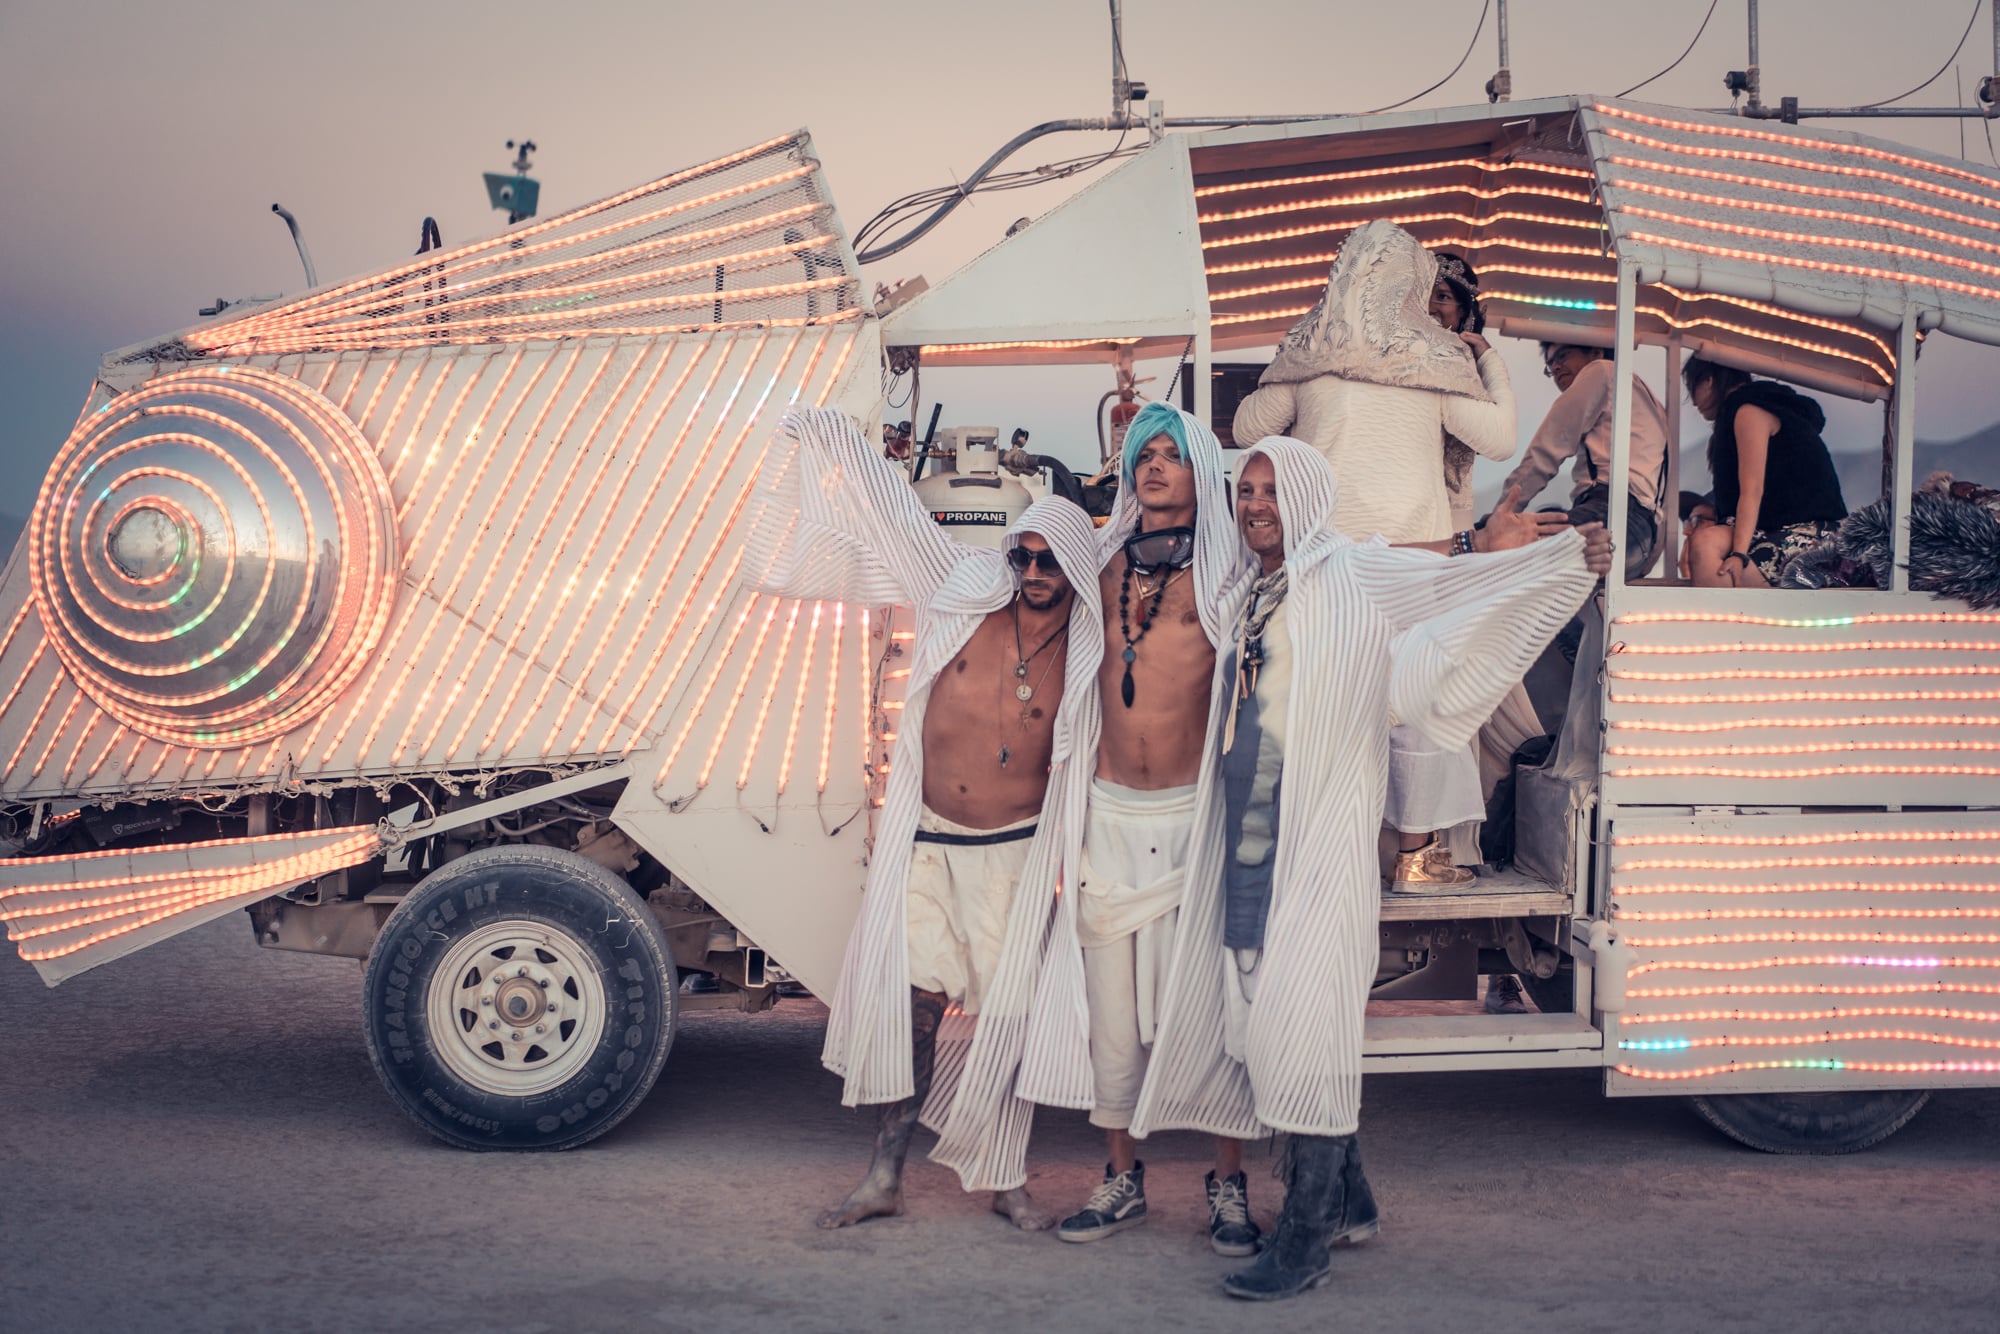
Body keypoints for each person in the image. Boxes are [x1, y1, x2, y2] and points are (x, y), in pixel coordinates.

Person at [1050, 402, 1567, 1254]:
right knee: (1122, 1014)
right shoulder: (1112, 569)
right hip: (1128, 817)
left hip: (1208, 825)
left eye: (1173, 454)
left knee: (1221, 1014)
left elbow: (1374, 562)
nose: (1154, 466)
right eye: (1142, 454)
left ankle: (1235, 1187)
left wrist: (1476, 542)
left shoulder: (1242, 572)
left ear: (1202, 473)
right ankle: (1128, 1179)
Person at [745, 407, 1104, 1231]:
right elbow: (893, 516)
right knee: (913, 1011)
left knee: (1006, 1022)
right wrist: (834, 439)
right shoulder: (965, 593)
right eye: (1023, 555)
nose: (1033, 570)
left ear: (1076, 565)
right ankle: (885, 1174)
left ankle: (1004, 1175)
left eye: (1050, 559)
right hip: (932, 848)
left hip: (1016, 859)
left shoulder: (1087, 648)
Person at [1232, 221, 1522, 890]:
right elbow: (1502, 439)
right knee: (1416, 707)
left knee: (1329, 709)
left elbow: (1248, 428)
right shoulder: (1432, 361)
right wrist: (1488, 361)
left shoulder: (1315, 356)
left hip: (1329, 566)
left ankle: (1333, 856)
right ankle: (1417, 857)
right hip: (1413, 565)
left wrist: (1295, 356)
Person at [1498, 342, 1670, 582]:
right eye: (1550, 364)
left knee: (1508, 547)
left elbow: (1545, 451)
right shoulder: (1650, 403)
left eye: (1563, 355)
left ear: (1596, 351)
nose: (1556, 367)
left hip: (1609, 514)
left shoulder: (1601, 371)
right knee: (1542, 528)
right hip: (1642, 538)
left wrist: (1500, 516)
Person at [1680, 357, 1848, 587]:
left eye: (1692, 388)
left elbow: (1752, 490)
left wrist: (1739, 555)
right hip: (1774, 527)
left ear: (1708, 381)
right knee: (1705, 542)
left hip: (1814, 534)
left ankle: (1723, 609)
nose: (1693, 402)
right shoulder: (1753, 409)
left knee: (1711, 554)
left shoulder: (1749, 411)